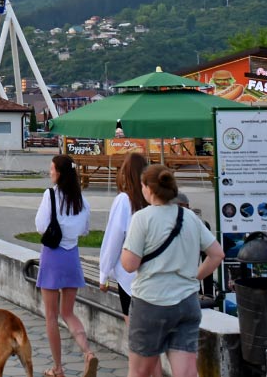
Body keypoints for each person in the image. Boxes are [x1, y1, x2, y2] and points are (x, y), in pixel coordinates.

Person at [120, 165, 225, 377]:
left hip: (150, 302)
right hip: (186, 302)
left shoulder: (142, 218)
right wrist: (194, 277)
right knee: (186, 372)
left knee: (140, 372)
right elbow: (217, 254)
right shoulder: (189, 217)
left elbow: (129, 264)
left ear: (149, 189)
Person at [35, 155, 98, 377]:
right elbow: (84, 229)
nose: (50, 172)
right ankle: (88, 353)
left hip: (53, 256)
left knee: (51, 315)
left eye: (52, 169)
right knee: (68, 312)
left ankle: (58, 368)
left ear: (59, 173)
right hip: (72, 256)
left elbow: (41, 226)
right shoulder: (81, 199)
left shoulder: (50, 195)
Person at [99, 151, 147, 318]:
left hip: (129, 273)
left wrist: (103, 275)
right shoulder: (152, 200)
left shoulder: (124, 200)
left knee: (133, 327)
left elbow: (114, 240)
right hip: (154, 275)